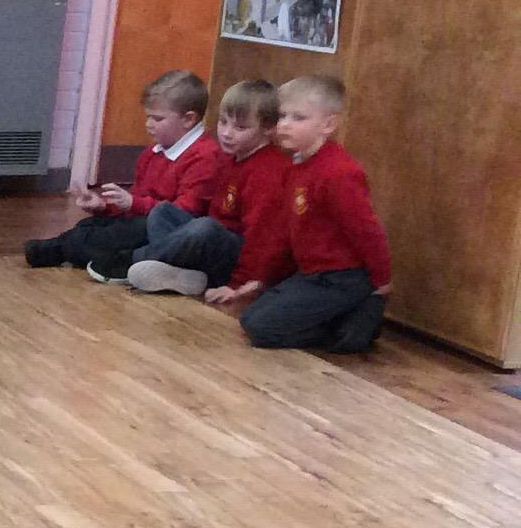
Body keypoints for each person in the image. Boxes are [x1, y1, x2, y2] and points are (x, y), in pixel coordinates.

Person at [205, 73, 389, 353]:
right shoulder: (296, 166)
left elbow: (366, 231)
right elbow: (281, 232)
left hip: (342, 277)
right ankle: (343, 318)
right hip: (311, 273)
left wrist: (382, 281)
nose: (285, 125)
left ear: (328, 124)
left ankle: (357, 320)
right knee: (251, 317)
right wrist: (258, 279)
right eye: (282, 116)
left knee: (263, 329)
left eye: (298, 118)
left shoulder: (338, 172)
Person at [24, 70, 223, 279]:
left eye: (157, 118)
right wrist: (104, 206)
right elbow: (136, 202)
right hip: (144, 220)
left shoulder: (205, 156)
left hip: (168, 231)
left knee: (126, 232)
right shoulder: (153, 152)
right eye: (148, 116)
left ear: (188, 119)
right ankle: (70, 249)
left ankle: (63, 250)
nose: (148, 124)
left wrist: (133, 204)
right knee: (92, 226)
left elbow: (182, 214)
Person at [124, 79, 283, 295]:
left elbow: (260, 236)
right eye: (223, 122)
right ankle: (185, 275)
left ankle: (128, 261)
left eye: (240, 127)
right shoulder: (229, 158)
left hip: (233, 257)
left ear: (268, 129)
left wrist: (238, 284)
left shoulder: (267, 170)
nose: (226, 133)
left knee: (204, 228)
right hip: (212, 244)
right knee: (164, 213)